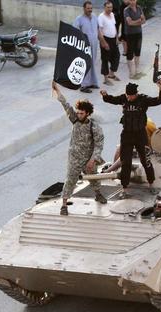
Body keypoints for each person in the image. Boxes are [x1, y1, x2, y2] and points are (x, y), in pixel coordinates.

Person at [101, 81, 161, 197]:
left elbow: (158, 101)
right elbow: (113, 100)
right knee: (126, 162)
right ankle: (124, 189)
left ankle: (151, 184)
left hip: (140, 134)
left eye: (131, 96)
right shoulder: (124, 98)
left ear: (136, 94)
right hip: (127, 134)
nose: (128, 98)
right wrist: (105, 95)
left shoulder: (143, 100)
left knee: (146, 161)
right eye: (127, 95)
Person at [52, 81, 107, 216]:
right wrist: (57, 90)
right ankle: (64, 205)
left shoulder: (93, 127)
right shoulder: (75, 120)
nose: (78, 115)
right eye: (77, 112)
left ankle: (98, 194)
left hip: (88, 159)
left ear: (87, 113)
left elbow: (99, 143)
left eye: (81, 113)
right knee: (70, 180)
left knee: (93, 178)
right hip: (75, 158)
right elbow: (66, 105)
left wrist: (93, 160)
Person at [74, 1, 105, 93]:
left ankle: (92, 82)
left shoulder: (95, 17)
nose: (90, 10)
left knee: (92, 63)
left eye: (91, 8)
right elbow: (75, 33)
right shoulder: (79, 19)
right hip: (84, 46)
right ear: (84, 9)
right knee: (85, 64)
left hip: (94, 45)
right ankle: (83, 85)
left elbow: (98, 30)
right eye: (88, 8)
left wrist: (103, 41)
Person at [98, 1, 121, 86]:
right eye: (108, 7)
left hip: (113, 39)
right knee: (105, 59)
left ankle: (111, 74)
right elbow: (99, 31)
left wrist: (117, 38)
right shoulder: (101, 17)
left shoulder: (112, 15)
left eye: (111, 7)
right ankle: (105, 79)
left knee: (116, 56)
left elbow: (114, 26)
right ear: (104, 7)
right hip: (105, 39)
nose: (109, 9)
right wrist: (104, 42)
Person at [124, 0, 146, 79]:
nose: (132, 1)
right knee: (130, 53)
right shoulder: (126, 10)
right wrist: (139, 21)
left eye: (134, 0)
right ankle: (131, 73)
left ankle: (137, 71)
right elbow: (129, 23)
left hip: (138, 33)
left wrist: (136, 22)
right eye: (131, 0)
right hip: (130, 34)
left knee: (138, 52)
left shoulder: (139, 8)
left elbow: (144, 20)